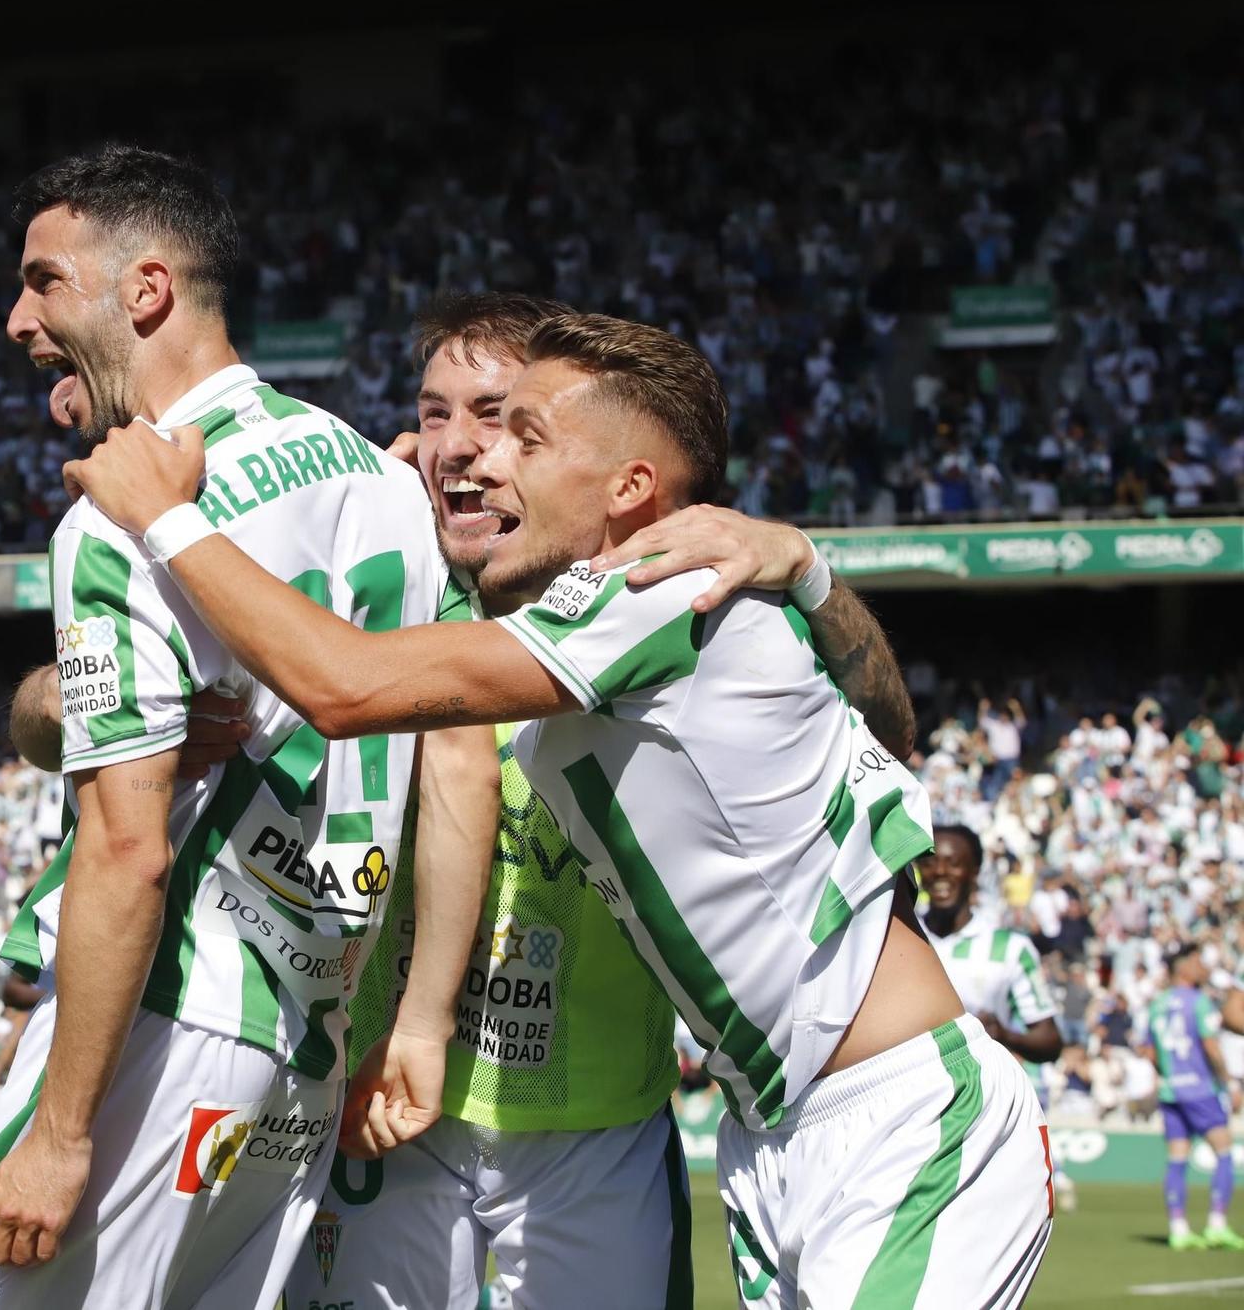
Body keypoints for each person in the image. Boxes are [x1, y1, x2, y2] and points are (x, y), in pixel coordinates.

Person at [65, 310, 1054, 1308]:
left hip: (892, 1112)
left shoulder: (650, 593)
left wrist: (166, 517)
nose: (485, 460)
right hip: (771, 1132)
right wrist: (805, 570)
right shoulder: (647, 606)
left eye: (522, 437)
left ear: (628, 489)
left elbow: (343, 685)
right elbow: (885, 730)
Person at [0, 145, 481, 1310]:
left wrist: (60, 1132)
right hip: (300, 1048)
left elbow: (126, 848)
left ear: (144, 289)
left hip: (165, 1028)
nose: (14, 319)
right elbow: (454, 763)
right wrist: (415, 1019)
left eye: (42, 281)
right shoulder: (378, 479)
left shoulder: (125, 517)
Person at [284, 291, 892, 1310]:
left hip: (596, 1126)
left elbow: (880, 736)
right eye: (433, 414)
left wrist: (806, 569)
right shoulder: (359, 591)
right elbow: (70, 712)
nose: (460, 448)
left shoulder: (664, 602)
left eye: (499, 418)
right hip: (381, 1105)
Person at [917, 824, 1071, 1209]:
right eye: (931, 863)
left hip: (981, 1117)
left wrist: (1004, 1034)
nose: (940, 873)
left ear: (975, 871)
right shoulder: (896, 935)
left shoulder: (1008, 948)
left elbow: (1050, 1041)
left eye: (954, 864)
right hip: (909, 1114)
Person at [1139, 943, 1244, 1251]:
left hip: (1172, 1090)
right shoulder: (1198, 1002)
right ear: (1182, 968)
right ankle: (1216, 1225)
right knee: (1224, 1151)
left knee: (1177, 1157)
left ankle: (1178, 1228)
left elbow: (1148, 1049)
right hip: (1200, 1089)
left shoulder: (1158, 1003)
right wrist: (1229, 1083)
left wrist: (1170, 1072)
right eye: (1197, 961)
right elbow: (1210, 1046)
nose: (1203, 967)